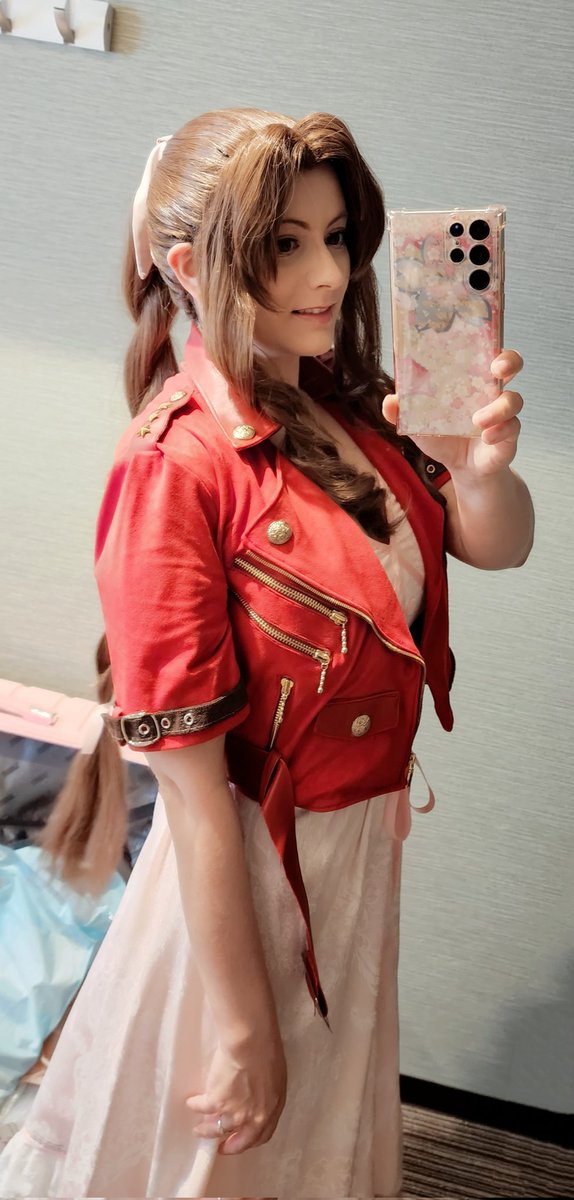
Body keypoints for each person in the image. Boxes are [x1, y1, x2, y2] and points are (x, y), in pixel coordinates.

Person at [0, 108, 534, 1198]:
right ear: (191, 268)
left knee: (316, 1141)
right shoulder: (173, 465)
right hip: (243, 878)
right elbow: (194, 797)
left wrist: (476, 468)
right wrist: (242, 1028)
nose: (328, 273)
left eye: (336, 237)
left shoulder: (349, 404)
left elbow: (498, 546)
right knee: (218, 1153)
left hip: (352, 853)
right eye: (285, 244)